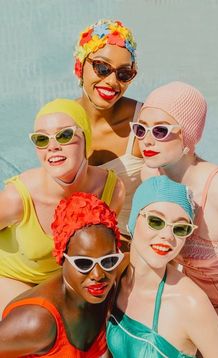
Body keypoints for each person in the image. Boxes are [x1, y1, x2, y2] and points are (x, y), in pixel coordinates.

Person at [131, 81, 218, 348]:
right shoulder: (151, 175)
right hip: (200, 301)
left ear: (188, 135)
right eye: (140, 129)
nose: (147, 140)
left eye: (161, 131)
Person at [0, 98, 125, 318]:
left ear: (86, 139)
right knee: (37, 321)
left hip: (65, 281)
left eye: (64, 135)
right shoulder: (17, 198)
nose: (52, 146)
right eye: (41, 139)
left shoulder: (111, 191)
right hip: (11, 277)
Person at [107, 176, 218, 357]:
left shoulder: (190, 303)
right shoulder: (112, 274)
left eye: (180, 228)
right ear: (133, 221)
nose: (168, 235)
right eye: (156, 221)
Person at [0, 191, 127, 357]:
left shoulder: (110, 288)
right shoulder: (37, 321)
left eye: (108, 261)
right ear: (61, 257)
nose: (98, 274)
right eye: (84, 263)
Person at [74, 19, 144, 236]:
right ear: (80, 65)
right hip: (79, 249)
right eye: (102, 68)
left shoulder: (143, 124)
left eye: (124, 74)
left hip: (137, 245)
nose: (113, 82)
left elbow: (187, 170)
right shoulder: (61, 121)